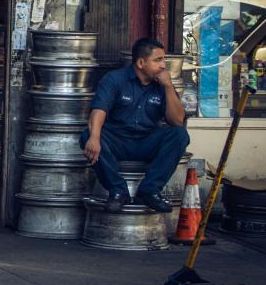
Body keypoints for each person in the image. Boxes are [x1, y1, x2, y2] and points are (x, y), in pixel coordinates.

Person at [81, 37, 189, 213]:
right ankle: (118, 191)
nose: (163, 66)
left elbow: (177, 121)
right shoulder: (115, 79)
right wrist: (94, 138)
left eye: (164, 60)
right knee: (88, 136)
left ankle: (150, 190)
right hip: (118, 141)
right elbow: (99, 109)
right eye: (157, 60)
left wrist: (169, 87)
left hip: (147, 141)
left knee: (179, 135)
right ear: (140, 62)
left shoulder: (162, 85)